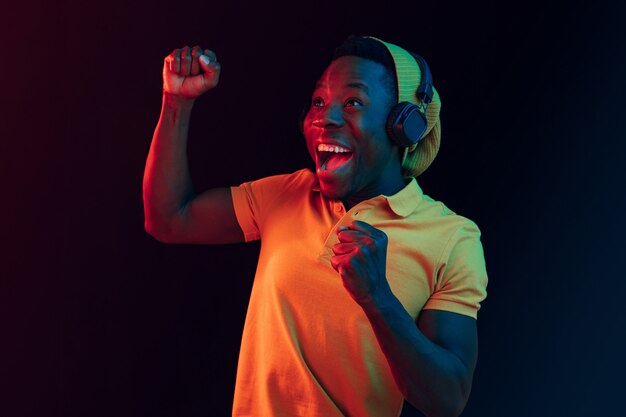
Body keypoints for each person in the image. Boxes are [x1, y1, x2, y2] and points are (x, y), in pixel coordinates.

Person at [143, 35, 488, 417]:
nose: (325, 118)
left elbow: (447, 400)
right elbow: (170, 219)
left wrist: (378, 297)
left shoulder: (454, 238)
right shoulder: (285, 194)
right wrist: (176, 103)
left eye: (353, 102)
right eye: (319, 102)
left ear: (403, 125)